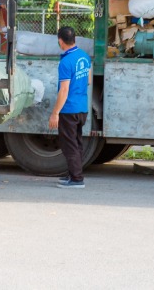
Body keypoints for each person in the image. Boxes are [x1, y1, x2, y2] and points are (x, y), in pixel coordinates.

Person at [49, 26, 92, 189]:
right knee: (77, 144)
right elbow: (88, 80)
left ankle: (76, 179)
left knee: (69, 146)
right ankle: (73, 174)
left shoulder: (66, 62)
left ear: (60, 41)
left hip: (69, 109)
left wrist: (55, 113)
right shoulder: (84, 56)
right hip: (82, 107)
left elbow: (64, 90)